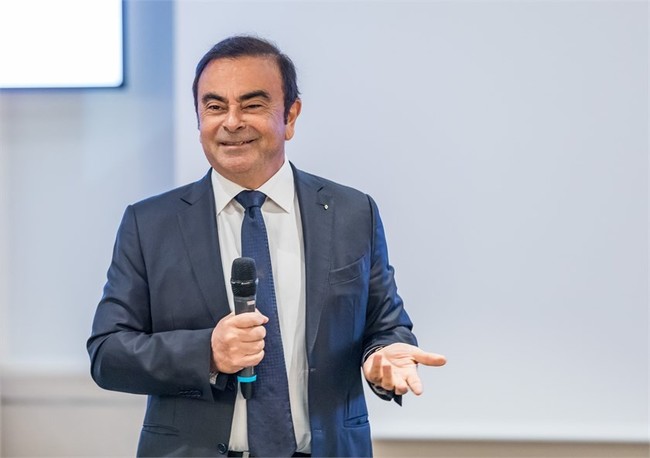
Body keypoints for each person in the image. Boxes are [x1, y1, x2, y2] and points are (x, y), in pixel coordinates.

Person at [87, 35, 446, 458]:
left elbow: (384, 325)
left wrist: (383, 354)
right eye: (214, 107)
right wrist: (207, 352)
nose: (232, 122)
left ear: (290, 116)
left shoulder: (352, 212)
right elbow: (107, 354)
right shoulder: (150, 223)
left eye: (252, 105)